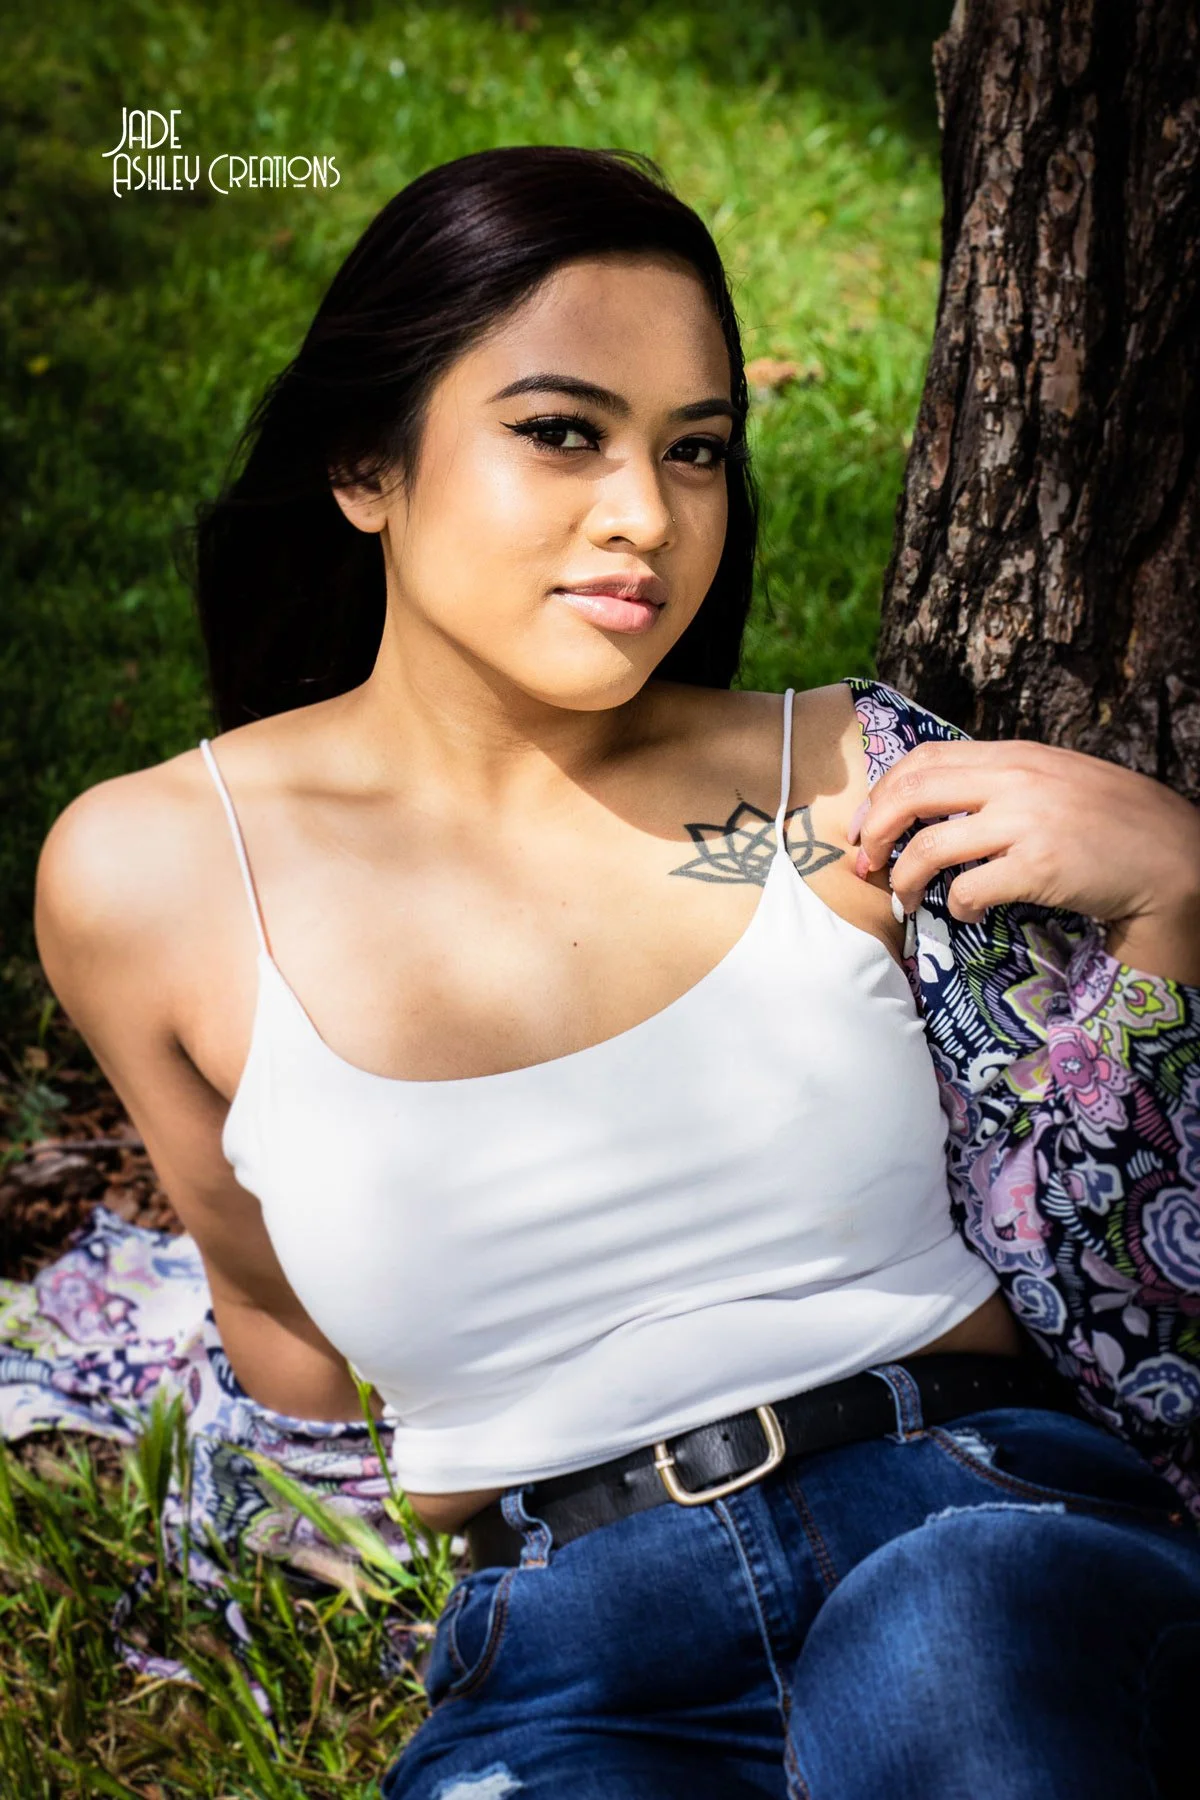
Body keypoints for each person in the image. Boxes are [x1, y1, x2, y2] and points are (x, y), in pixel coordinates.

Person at [32, 146, 1200, 1798]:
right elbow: (276, 1321)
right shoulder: (151, 875)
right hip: (567, 1654)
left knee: (946, 1647)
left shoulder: (849, 777)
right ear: (365, 464)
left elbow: (1128, 1257)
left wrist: (1176, 902)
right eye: (562, 432)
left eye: (695, 449)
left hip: (972, 1523)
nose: (647, 516)